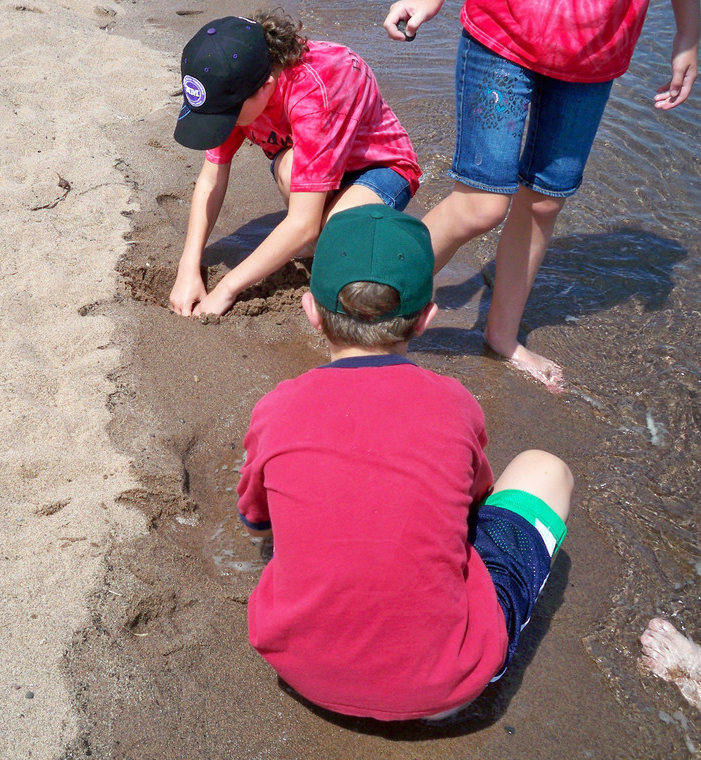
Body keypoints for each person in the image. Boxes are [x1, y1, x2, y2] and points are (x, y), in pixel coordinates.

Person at [235, 204, 574, 720]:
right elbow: (473, 511)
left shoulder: (276, 408)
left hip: (301, 671)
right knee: (545, 468)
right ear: (426, 318)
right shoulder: (454, 403)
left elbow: (257, 525)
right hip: (446, 687)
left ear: (310, 309)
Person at [382, 0, 701, 390]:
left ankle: (502, 335)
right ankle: (366, 304)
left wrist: (688, 35)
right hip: (505, 29)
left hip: (595, 55)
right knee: (481, 203)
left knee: (546, 200)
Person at [169, 11, 422, 317]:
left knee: (334, 238)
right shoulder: (234, 82)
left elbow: (302, 224)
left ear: (266, 87)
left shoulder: (315, 90)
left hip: (379, 168)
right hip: (311, 159)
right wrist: (188, 266)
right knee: (294, 180)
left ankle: (346, 230)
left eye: (226, 117)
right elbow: (211, 179)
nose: (224, 125)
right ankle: (319, 226)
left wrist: (227, 288)